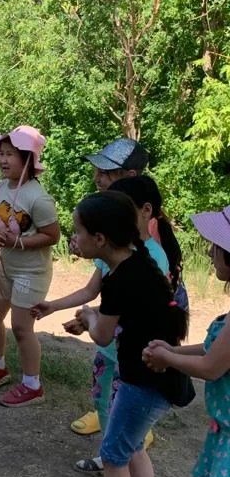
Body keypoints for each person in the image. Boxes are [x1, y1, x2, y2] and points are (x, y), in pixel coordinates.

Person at [65, 191, 188, 477]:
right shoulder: (139, 262)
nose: (75, 238)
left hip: (143, 383)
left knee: (114, 457)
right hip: (158, 380)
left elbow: (102, 334)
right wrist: (92, 318)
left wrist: (88, 316)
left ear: (100, 239)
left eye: (79, 232)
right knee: (133, 448)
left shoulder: (118, 279)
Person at [33, 175, 171, 475]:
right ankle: (111, 463)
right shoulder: (116, 258)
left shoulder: (147, 260)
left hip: (131, 360)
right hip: (112, 354)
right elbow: (93, 294)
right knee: (106, 408)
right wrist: (55, 307)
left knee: (125, 436)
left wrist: (91, 319)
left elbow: (121, 311)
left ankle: (115, 473)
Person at [146, 205, 230, 477]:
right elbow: (215, 350)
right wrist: (176, 350)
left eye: (218, 247)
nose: (212, 252)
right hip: (222, 433)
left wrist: (168, 359)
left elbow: (213, 368)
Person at [69, 138, 148, 436]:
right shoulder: (112, 220)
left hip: (131, 334)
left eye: (106, 172)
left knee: (127, 399)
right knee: (108, 384)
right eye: (97, 171)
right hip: (113, 331)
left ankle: (133, 428)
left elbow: (136, 295)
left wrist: (93, 317)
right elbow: (98, 283)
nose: (97, 178)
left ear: (130, 176)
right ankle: (108, 416)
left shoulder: (143, 232)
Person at [0, 125, 59, 406]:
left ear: (27, 158)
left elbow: (52, 236)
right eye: (0, 153)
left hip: (32, 272)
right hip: (5, 268)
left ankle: (32, 385)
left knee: (21, 327)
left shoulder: (38, 198)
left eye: (9, 154)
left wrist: (18, 242)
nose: (2, 160)